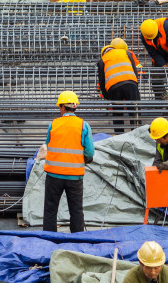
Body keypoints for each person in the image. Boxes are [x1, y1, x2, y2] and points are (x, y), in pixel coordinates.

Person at [41, 90, 94, 233]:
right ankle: (77, 243)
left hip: (53, 176)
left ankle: (49, 240)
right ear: (75, 107)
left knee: (50, 210)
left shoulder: (53, 124)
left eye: (59, 107)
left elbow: (48, 144)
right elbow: (89, 152)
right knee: (76, 211)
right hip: (74, 176)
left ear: (63, 107)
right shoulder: (83, 125)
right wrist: (84, 160)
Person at [97, 39, 141, 134]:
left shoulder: (102, 60)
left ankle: (119, 135)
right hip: (130, 83)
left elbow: (101, 81)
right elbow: (134, 69)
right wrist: (135, 84)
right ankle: (137, 134)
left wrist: (107, 96)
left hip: (114, 87)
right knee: (134, 110)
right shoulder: (125, 53)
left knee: (117, 113)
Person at [140, 18, 168, 99]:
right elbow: (153, 53)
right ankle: (163, 99)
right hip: (160, 53)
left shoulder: (165, 25)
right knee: (156, 78)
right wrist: (163, 65)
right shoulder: (144, 36)